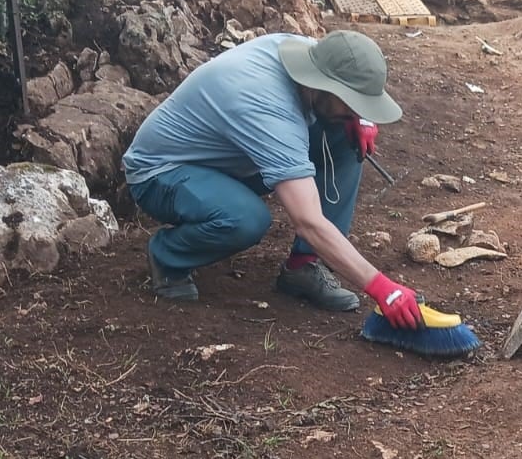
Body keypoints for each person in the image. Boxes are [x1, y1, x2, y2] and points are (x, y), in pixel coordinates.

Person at [122, 30, 423, 329]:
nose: (356, 110)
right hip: (162, 173)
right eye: (351, 102)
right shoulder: (268, 109)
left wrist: (360, 118)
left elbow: (340, 95)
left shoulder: (312, 56)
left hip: (231, 159)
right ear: (325, 86)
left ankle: (304, 266)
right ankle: (168, 255)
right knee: (246, 219)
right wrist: (383, 288)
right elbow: (308, 221)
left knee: (344, 136)